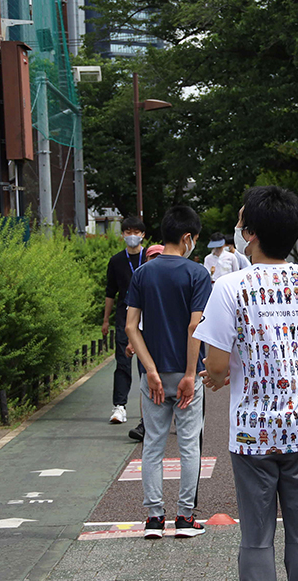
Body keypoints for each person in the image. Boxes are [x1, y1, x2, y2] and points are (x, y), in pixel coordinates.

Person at [195, 185, 298, 581]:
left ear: (249, 234)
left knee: (256, 537)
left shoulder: (229, 288)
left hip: (252, 429)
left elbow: (215, 363)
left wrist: (223, 374)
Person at [125, 206, 212, 541]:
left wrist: (150, 370)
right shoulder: (197, 273)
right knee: (190, 446)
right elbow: (195, 325)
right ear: (187, 238)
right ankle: (185, 518)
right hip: (187, 372)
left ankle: (154, 518)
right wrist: (192, 373)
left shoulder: (143, 273)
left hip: (154, 374)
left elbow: (131, 327)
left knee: (153, 445)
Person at [103, 218, 147, 424]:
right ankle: (119, 406)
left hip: (148, 318)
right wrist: (106, 320)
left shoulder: (150, 257)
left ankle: (153, 408)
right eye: (128, 231)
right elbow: (110, 292)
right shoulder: (116, 261)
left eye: (136, 231)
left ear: (143, 235)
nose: (132, 235)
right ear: (122, 235)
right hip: (123, 318)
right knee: (123, 363)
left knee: (148, 365)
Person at [128, 244, 165, 443]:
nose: (156, 260)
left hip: (167, 340)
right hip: (144, 338)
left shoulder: (173, 279)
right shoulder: (141, 280)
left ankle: (170, 416)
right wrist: (131, 341)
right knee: (145, 379)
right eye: (153, 257)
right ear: (147, 260)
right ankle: (144, 422)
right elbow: (132, 321)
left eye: (160, 255)